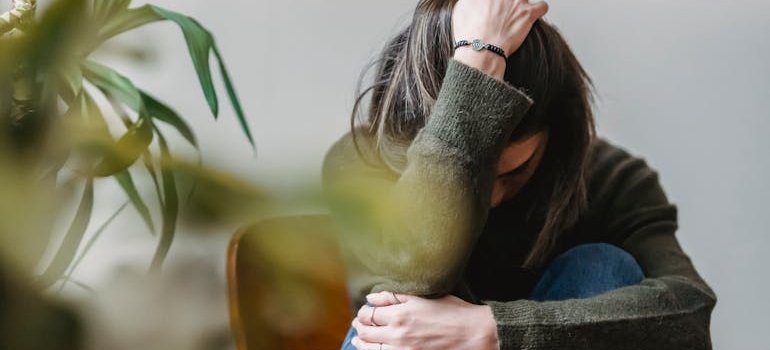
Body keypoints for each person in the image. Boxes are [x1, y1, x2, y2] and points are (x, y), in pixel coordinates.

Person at [321, 0, 717, 349]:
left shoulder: (609, 177)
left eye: (514, 172)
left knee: (602, 265)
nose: (492, 196)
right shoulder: (360, 163)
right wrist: (479, 61)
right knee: (392, 324)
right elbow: (414, 276)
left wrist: (492, 331)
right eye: (480, 174)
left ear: (555, 136)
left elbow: (689, 312)